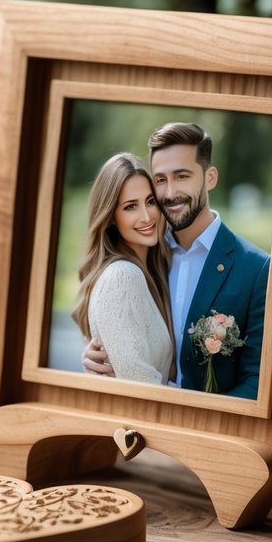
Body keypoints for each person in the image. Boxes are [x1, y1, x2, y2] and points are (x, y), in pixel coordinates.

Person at [84, 123, 269, 398]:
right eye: (160, 180)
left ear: (210, 178)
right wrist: (103, 354)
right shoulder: (150, 254)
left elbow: (257, 382)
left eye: (182, 176)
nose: (170, 193)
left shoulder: (256, 268)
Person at [70, 153, 176, 384]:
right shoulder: (123, 277)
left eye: (150, 202)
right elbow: (141, 387)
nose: (147, 216)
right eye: (130, 207)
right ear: (110, 218)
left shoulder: (153, 271)